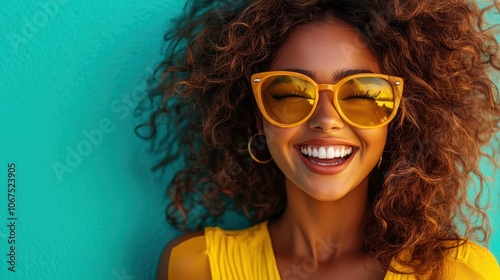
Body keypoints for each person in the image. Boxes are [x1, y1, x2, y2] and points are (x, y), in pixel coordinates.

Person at [140, 0, 500, 279]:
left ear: (397, 121)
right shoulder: (193, 268)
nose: (326, 120)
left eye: (362, 95)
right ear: (258, 117)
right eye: (290, 94)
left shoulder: (461, 272)